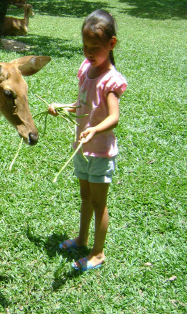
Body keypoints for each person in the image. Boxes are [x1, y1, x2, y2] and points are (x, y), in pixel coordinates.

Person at [48, 9, 128, 271]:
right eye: (84, 46)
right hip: (81, 150)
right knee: (84, 197)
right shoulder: (86, 70)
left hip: (101, 153)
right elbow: (83, 103)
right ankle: (82, 239)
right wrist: (63, 106)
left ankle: (98, 253)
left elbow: (114, 117)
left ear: (111, 44)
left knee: (98, 203)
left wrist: (94, 130)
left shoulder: (110, 80)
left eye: (95, 47)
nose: (88, 52)